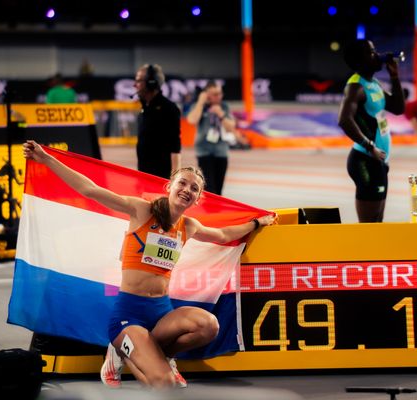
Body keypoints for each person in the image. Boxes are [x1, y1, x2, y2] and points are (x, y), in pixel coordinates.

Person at [22, 140, 276, 389]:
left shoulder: (188, 226)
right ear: (169, 186)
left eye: (195, 188)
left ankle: (144, 355)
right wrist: (45, 158)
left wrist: (256, 223)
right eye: (183, 183)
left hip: (161, 314)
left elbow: (223, 236)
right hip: (129, 316)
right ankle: (129, 351)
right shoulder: (142, 210)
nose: (188, 189)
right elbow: (90, 190)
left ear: (198, 199)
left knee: (209, 325)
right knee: (164, 381)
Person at [337, 39, 405, 223]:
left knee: (377, 224)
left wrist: (394, 77)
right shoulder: (355, 86)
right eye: (372, 52)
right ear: (360, 59)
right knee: (368, 226)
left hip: (379, 161)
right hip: (365, 161)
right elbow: (344, 120)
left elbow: (398, 108)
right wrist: (370, 147)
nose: (377, 55)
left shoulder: (374, 83)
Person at [186, 81, 241, 195]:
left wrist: (220, 114)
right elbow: (192, 120)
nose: (219, 96)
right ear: (207, 95)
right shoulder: (199, 106)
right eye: (215, 94)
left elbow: (231, 127)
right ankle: (209, 211)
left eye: (220, 93)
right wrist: (201, 103)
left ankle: (217, 212)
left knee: (218, 189)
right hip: (204, 151)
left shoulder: (224, 106)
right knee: (209, 189)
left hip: (221, 151)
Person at [134, 64, 182, 179]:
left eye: (139, 80)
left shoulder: (169, 108)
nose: (135, 85)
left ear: (151, 83)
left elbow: (175, 147)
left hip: (161, 177)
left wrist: (175, 179)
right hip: (143, 173)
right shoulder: (144, 107)